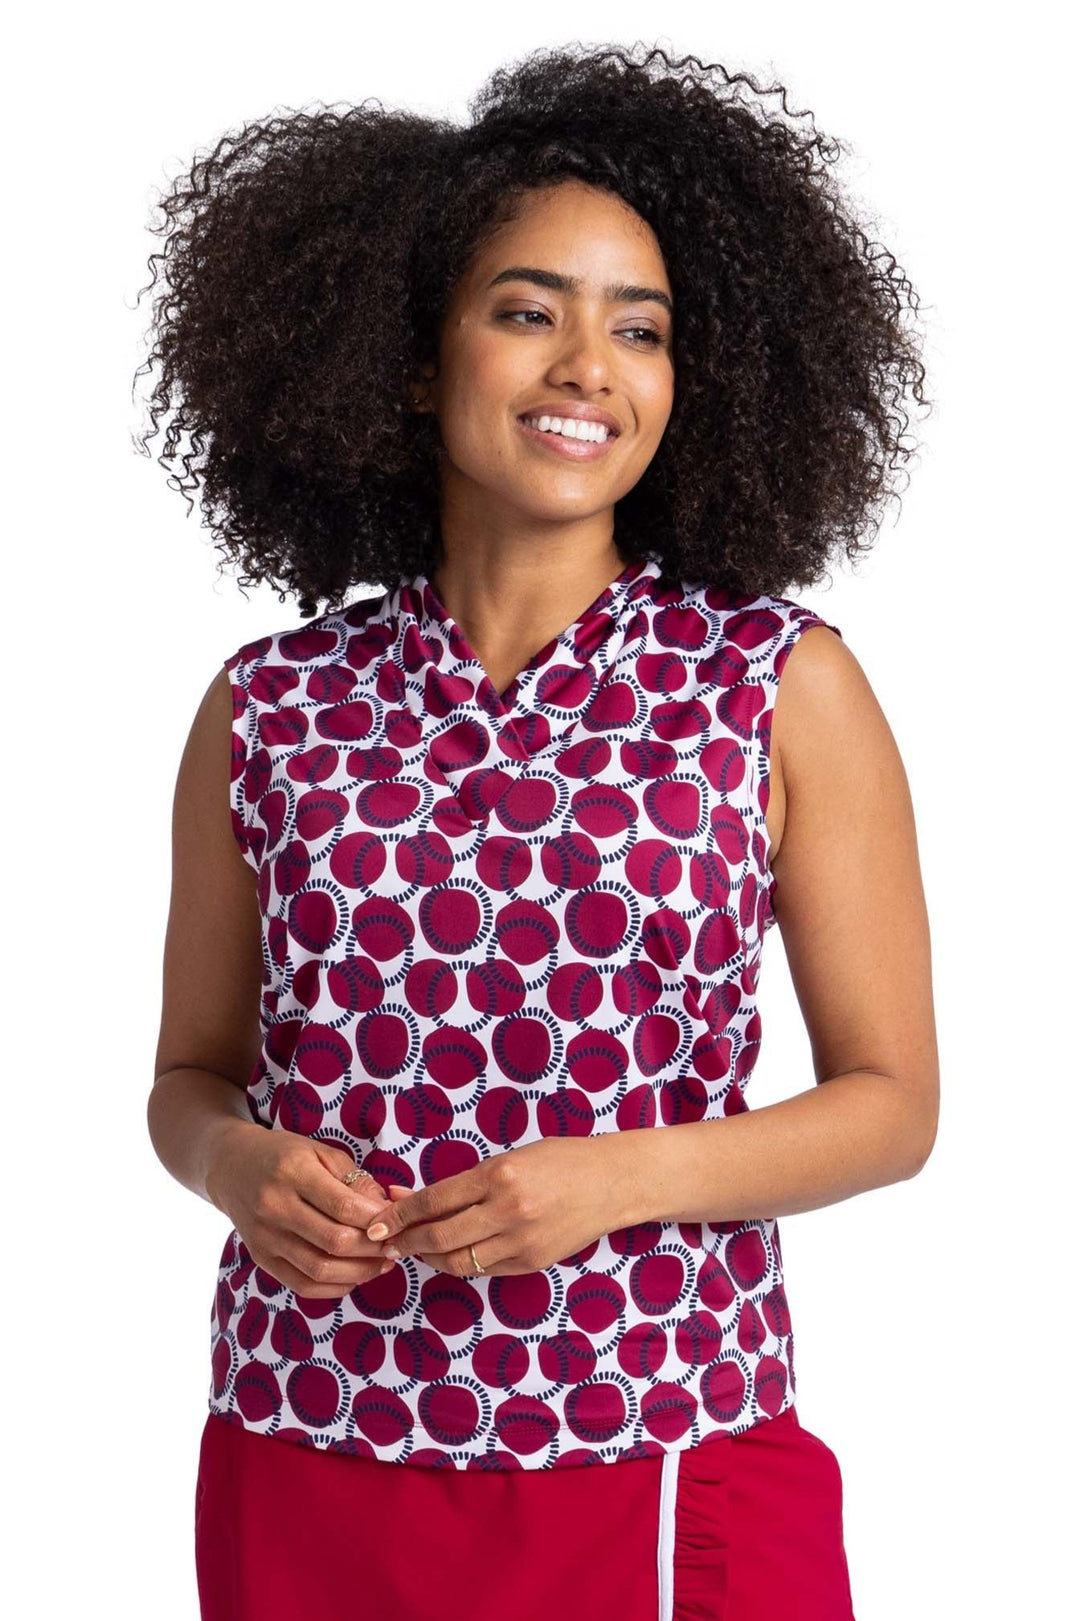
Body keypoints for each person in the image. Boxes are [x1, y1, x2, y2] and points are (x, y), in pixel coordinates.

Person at [139, 41, 938, 1621]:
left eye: (638, 328)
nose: (591, 365)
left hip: (658, 1440)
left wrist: (616, 1182)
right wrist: (237, 1164)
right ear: (412, 358)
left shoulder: (779, 689)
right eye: (529, 310)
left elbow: (892, 1104)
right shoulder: (269, 705)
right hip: (311, 1444)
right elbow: (187, 1080)